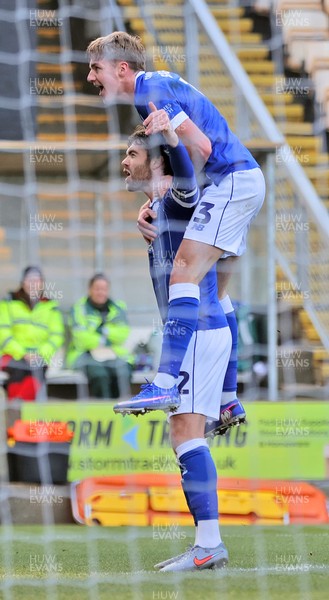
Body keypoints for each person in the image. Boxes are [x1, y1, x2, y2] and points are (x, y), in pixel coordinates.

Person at [86, 31, 264, 428]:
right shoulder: (154, 87)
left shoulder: (151, 90)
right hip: (240, 182)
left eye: (96, 68)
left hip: (230, 180)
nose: (90, 77)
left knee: (183, 271)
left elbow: (200, 150)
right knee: (216, 291)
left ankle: (165, 382)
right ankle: (229, 399)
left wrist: (179, 188)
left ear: (122, 68)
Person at [114, 112, 231, 571]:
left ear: (156, 162)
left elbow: (186, 175)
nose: (124, 161)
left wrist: (168, 134)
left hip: (199, 331)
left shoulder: (178, 200)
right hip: (198, 332)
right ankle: (207, 544)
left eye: (132, 154)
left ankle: (209, 545)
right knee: (183, 434)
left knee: (186, 434)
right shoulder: (157, 212)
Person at [0, 266, 64, 401]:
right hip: (12, 354)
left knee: (37, 369)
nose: (33, 284)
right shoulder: (8, 303)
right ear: (22, 282)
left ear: (42, 283)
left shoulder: (51, 306)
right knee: (18, 369)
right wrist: (23, 353)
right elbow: (3, 333)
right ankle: (17, 407)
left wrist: (39, 354)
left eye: (37, 281)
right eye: (30, 280)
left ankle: (18, 406)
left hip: (39, 357)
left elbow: (57, 336)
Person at [67, 273, 132, 399]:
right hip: (86, 354)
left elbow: (123, 334)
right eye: (97, 289)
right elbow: (81, 339)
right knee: (100, 375)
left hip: (114, 353)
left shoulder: (118, 308)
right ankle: (105, 413)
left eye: (104, 289)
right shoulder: (79, 308)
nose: (100, 292)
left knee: (123, 371)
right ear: (90, 289)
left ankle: (120, 411)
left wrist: (99, 332)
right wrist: (107, 337)